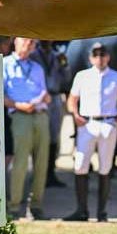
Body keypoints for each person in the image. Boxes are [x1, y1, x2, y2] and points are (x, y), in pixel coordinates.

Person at [64, 42, 117, 222]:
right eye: (96, 54)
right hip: (88, 123)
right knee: (80, 166)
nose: (99, 58)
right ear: (90, 57)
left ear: (108, 57)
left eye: (103, 54)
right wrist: (75, 115)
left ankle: (102, 212)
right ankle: (82, 210)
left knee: (105, 167)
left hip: (107, 122)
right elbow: (72, 99)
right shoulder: (82, 76)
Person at [3, 37, 51, 219]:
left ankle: (36, 206)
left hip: (41, 115)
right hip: (20, 116)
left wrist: (46, 98)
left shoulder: (37, 67)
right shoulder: (5, 64)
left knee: (41, 163)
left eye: (33, 42)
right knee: (20, 163)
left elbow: (44, 92)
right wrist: (19, 105)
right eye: (26, 41)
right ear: (15, 42)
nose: (29, 44)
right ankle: (14, 206)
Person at [31, 40, 69, 188]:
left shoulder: (57, 56)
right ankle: (37, 174)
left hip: (55, 96)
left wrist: (64, 64)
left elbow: (66, 78)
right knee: (39, 137)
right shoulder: (33, 55)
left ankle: (51, 173)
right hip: (39, 97)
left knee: (54, 136)